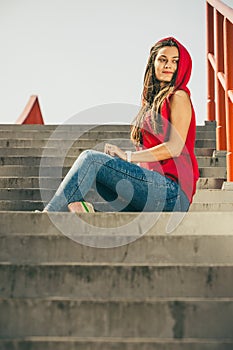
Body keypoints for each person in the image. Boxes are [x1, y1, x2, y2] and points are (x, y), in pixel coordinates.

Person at [40, 36, 199, 213]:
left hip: (172, 193)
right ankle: (86, 211)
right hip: (155, 188)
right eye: (162, 60)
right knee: (102, 175)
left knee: (91, 159)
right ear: (153, 64)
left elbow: (175, 147)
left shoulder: (178, 96)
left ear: (181, 66)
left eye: (174, 61)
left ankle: (49, 214)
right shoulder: (152, 104)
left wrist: (128, 157)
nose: (168, 65)